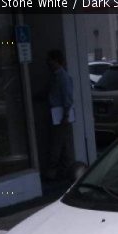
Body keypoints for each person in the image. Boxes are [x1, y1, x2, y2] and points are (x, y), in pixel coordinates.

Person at [44, 49, 74, 181]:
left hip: (60, 115)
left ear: (56, 61)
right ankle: (64, 171)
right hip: (57, 114)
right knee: (62, 143)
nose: (48, 62)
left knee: (58, 143)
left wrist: (65, 115)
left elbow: (67, 98)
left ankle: (55, 172)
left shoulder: (62, 77)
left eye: (50, 60)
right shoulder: (55, 76)